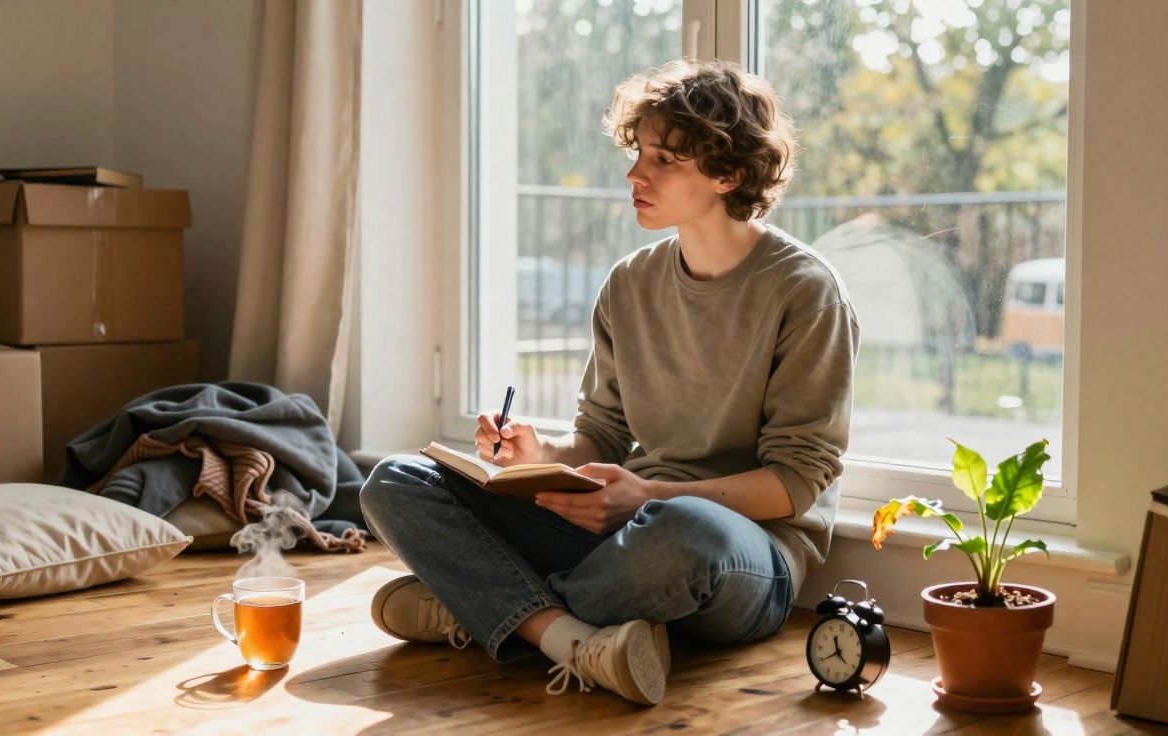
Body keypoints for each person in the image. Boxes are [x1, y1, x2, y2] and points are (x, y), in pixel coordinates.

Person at [358, 58, 859, 706]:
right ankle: (566, 636)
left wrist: (646, 495)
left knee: (685, 528)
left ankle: (482, 607)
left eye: (664, 160)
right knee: (397, 481)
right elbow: (602, 436)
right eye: (639, 153)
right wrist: (538, 456)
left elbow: (794, 484)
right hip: (617, 535)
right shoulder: (630, 283)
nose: (635, 175)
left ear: (729, 174)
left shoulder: (806, 292)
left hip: (738, 555)